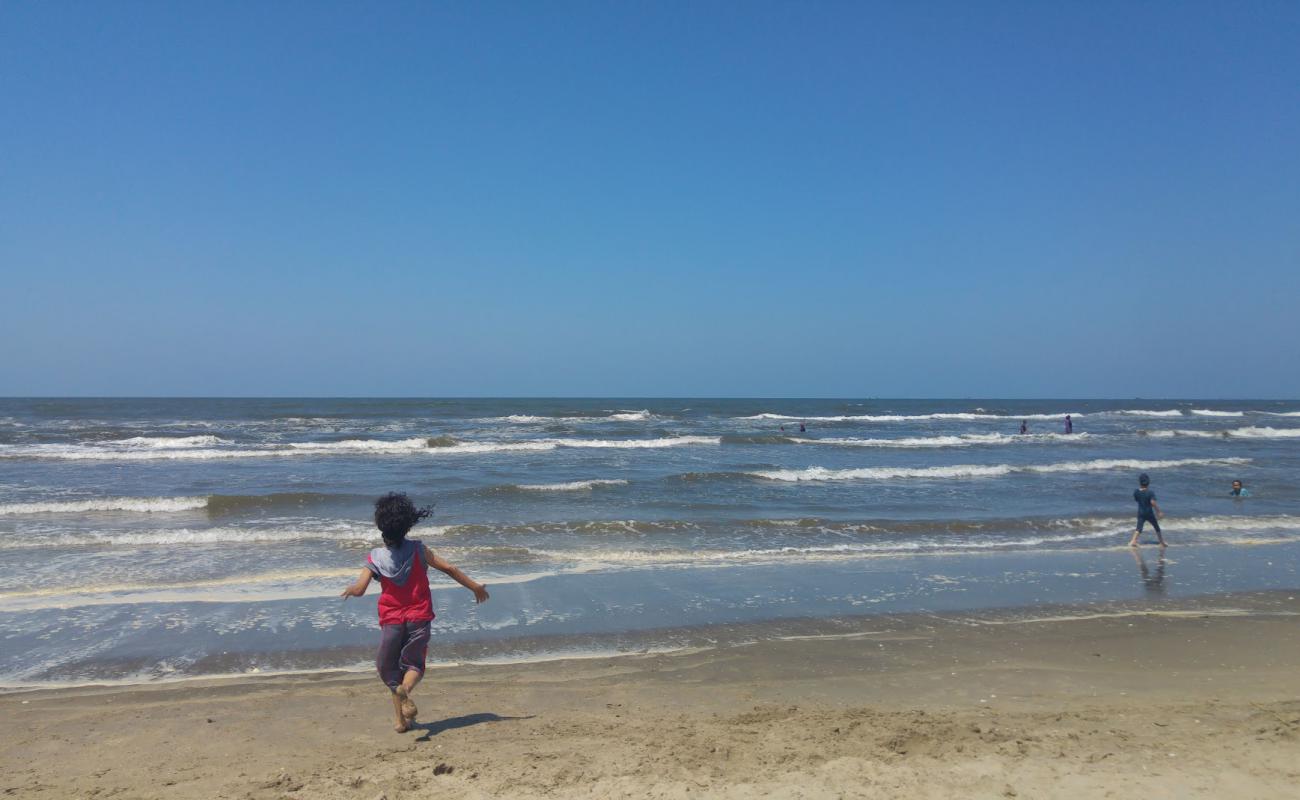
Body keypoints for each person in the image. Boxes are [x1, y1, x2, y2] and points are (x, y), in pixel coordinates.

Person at [341, 492, 490, 732]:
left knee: (390, 670)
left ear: (381, 526)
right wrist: (474, 586)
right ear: (407, 525)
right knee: (414, 666)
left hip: (391, 620)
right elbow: (449, 568)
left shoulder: (375, 557)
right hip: (419, 617)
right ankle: (406, 693)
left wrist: (352, 589)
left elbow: (360, 589)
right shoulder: (419, 550)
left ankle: (401, 721)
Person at [1128, 473, 1166, 548]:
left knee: (1139, 528)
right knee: (1156, 526)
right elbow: (1152, 502)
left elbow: (1136, 499)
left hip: (1141, 512)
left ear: (1139, 482)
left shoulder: (1136, 492)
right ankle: (1161, 542)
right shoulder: (1150, 492)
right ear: (1148, 482)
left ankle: (1133, 541)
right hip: (1149, 513)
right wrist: (1158, 511)